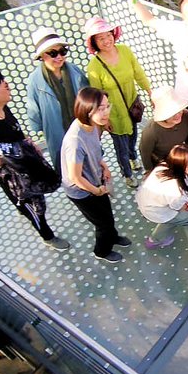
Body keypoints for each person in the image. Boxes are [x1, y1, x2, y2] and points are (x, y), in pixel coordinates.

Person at [0, 68, 68, 251]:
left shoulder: (2, 108)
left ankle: (28, 210)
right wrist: (14, 155)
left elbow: (16, 131)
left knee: (40, 196)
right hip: (14, 177)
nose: (8, 86)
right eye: (3, 84)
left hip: (27, 165)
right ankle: (47, 236)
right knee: (32, 208)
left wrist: (26, 144)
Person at [61, 88, 132, 264]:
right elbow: (75, 177)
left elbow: (95, 151)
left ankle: (113, 237)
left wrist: (104, 166)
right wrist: (97, 191)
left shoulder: (92, 125)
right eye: (100, 108)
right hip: (82, 191)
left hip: (95, 180)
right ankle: (102, 251)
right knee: (102, 223)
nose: (106, 112)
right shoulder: (75, 141)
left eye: (107, 106)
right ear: (86, 109)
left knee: (108, 214)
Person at [82, 16, 153, 189]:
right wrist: (105, 120)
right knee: (120, 145)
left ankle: (133, 156)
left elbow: (138, 73)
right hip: (113, 112)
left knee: (133, 135)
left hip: (132, 105)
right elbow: (98, 97)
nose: (106, 40)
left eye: (108, 35)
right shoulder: (94, 66)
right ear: (94, 42)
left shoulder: (125, 51)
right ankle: (127, 173)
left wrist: (150, 91)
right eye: (100, 38)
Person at [25, 27, 89, 169]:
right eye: (53, 53)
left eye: (62, 51)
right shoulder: (35, 80)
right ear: (42, 55)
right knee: (65, 166)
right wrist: (39, 128)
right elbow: (33, 110)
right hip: (57, 131)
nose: (59, 57)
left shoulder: (74, 70)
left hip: (81, 126)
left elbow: (88, 96)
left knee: (89, 159)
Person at [139, 86, 188, 172]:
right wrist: (149, 171)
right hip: (162, 164)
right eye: (171, 113)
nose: (178, 115)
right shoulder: (150, 132)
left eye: (179, 110)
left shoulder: (186, 115)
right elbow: (145, 154)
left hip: (181, 159)